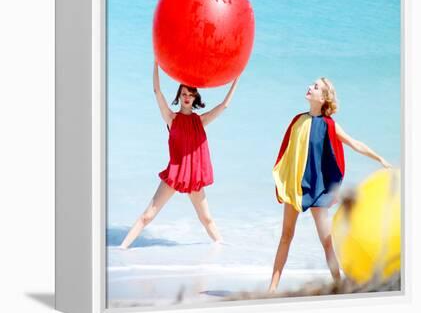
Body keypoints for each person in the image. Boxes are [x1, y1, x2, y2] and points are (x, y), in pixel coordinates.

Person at [268, 77, 391, 292]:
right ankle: (272, 288)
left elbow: (354, 143)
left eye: (315, 87)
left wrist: (379, 158)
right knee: (286, 236)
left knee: (326, 241)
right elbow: (289, 154)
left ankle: (339, 284)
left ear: (324, 98)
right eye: (311, 85)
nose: (309, 87)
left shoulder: (329, 124)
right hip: (296, 189)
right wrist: (284, 181)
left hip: (317, 189)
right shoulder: (298, 120)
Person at [119, 61, 239, 249]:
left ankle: (223, 249)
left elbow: (224, 105)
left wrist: (236, 78)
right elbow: (157, 92)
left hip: (193, 177)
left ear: (195, 98)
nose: (187, 97)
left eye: (191, 95)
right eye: (184, 94)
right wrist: (156, 63)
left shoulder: (200, 120)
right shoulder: (171, 118)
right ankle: (121, 248)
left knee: (207, 218)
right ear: (179, 96)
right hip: (175, 174)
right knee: (148, 215)